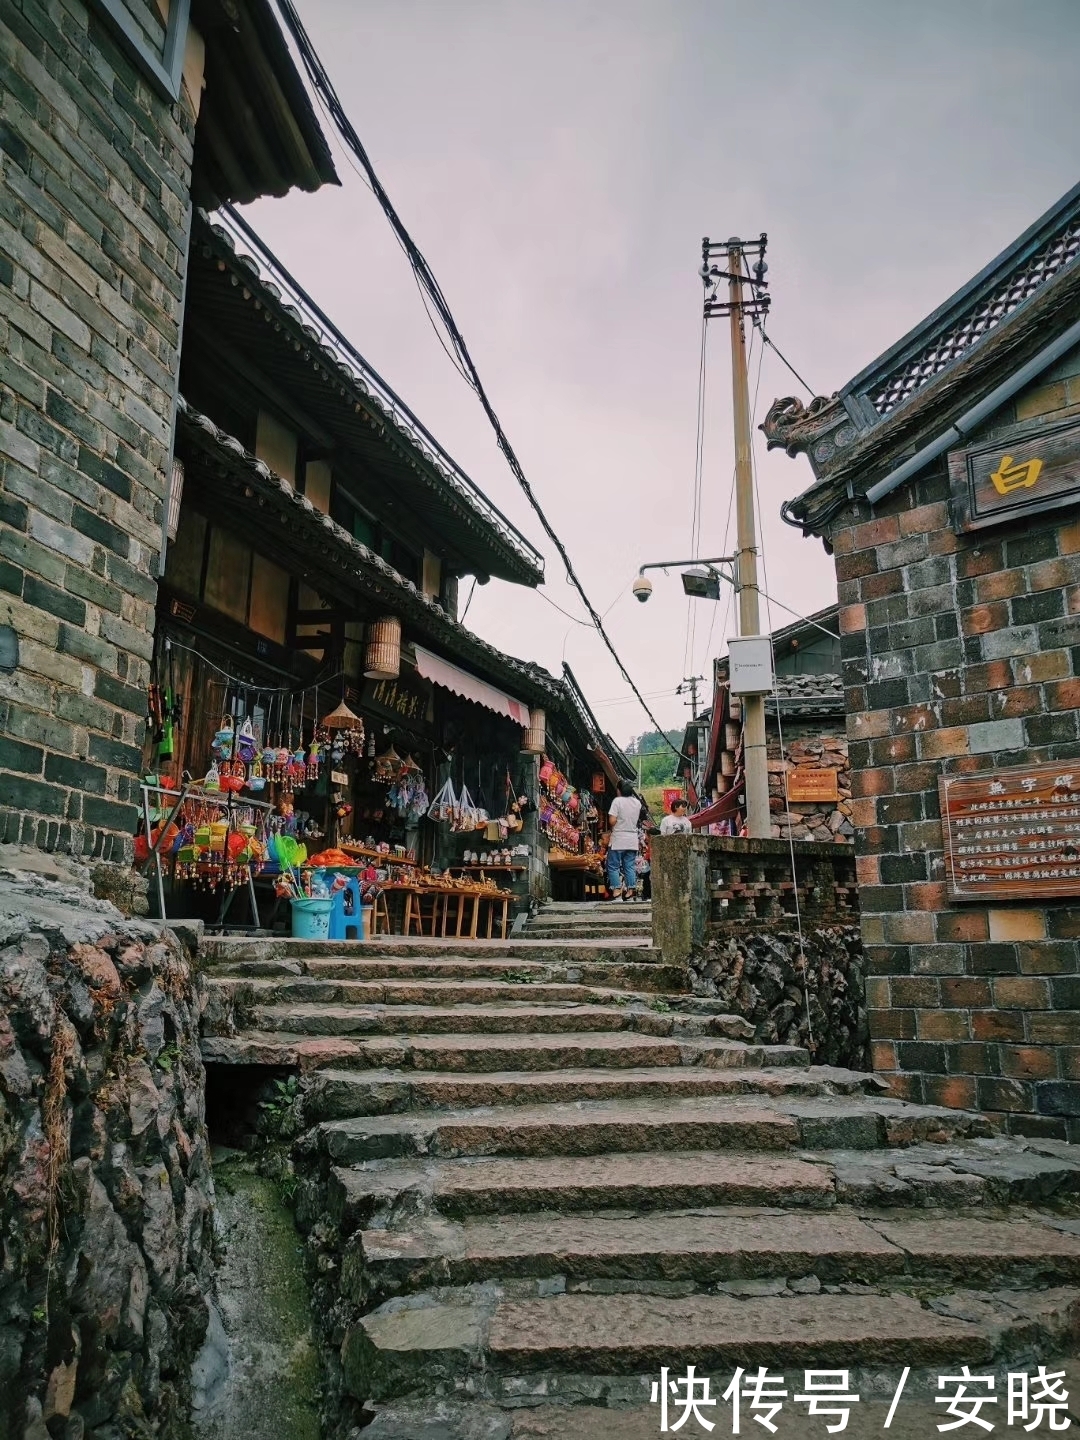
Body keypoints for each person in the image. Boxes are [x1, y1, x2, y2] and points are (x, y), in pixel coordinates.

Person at [606, 778, 642, 900]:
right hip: (632, 839)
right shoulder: (637, 803)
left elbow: (612, 820)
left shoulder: (618, 801)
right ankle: (630, 890)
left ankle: (616, 890)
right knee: (629, 866)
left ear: (619, 790)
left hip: (619, 838)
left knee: (613, 865)